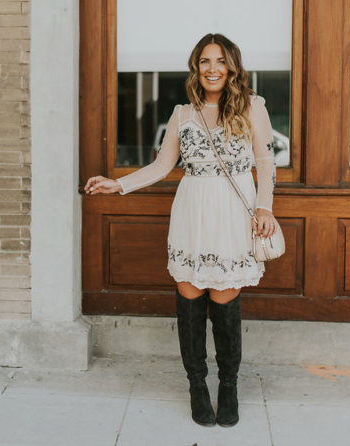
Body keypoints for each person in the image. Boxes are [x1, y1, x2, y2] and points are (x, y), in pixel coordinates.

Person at [85, 33, 278, 428]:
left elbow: (266, 164)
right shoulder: (181, 114)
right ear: (196, 67)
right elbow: (160, 167)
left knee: (224, 300)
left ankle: (228, 387)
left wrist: (265, 208)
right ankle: (196, 386)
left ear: (232, 67)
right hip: (192, 212)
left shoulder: (253, 108)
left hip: (232, 214)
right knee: (190, 297)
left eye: (220, 61)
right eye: (205, 61)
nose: (212, 68)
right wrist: (117, 184)